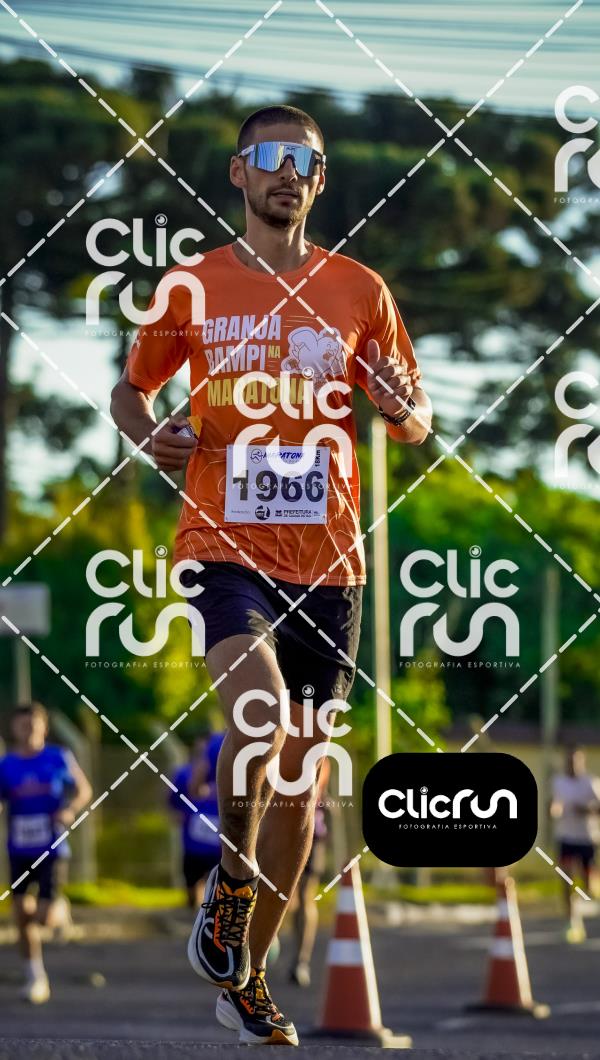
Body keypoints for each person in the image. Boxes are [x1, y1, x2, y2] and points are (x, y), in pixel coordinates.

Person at [111, 102, 431, 1046]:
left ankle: (246, 974)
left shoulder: (361, 290)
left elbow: (416, 421)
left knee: (304, 782)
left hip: (330, 561)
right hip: (224, 543)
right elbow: (132, 390)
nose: (291, 172)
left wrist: (397, 405)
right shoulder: (191, 287)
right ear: (239, 173)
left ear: (319, 182)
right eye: (273, 156)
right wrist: (151, 436)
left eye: (308, 161)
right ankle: (231, 882)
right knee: (259, 714)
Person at [0, 702, 92, 1003]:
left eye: (33, 724)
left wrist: (69, 809)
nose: (28, 730)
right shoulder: (7, 765)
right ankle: (35, 977)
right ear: (14, 729)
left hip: (52, 848)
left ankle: (59, 909)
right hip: (19, 848)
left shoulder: (57, 757)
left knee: (43, 918)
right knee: (21, 914)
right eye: (22, 725)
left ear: (43, 727)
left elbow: (83, 790)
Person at [169, 730, 225, 909]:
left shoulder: (221, 745)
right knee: (193, 879)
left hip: (219, 839)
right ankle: (195, 908)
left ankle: (206, 911)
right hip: (195, 837)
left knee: (216, 880)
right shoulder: (184, 773)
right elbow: (174, 799)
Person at [551, 745, 600, 943]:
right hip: (566, 837)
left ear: (582, 762)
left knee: (588, 884)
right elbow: (555, 803)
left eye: (575, 761)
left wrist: (586, 810)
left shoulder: (591, 782)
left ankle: (587, 904)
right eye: (568, 761)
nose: (571, 765)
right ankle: (571, 921)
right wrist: (554, 809)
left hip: (587, 838)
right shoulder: (558, 782)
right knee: (566, 879)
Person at [288, 757, 330, 987]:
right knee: (283, 897)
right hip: (281, 832)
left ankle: (301, 960)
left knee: (305, 895)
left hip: (311, 832)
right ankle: (268, 943)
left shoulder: (319, 752)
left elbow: (315, 787)